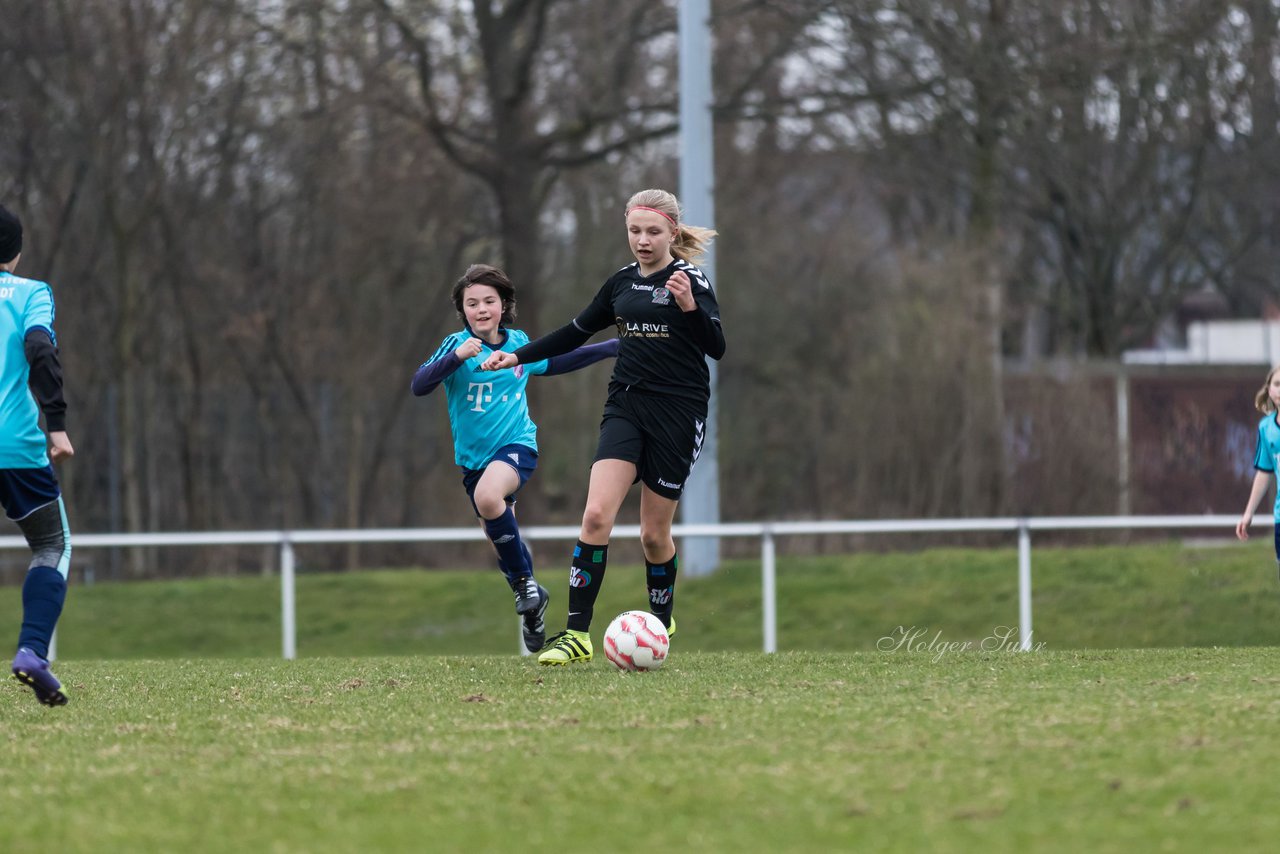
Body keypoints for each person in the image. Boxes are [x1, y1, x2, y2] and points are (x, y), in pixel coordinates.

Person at [481, 188, 725, 666]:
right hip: (625, 406)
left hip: (678, 413)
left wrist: (691, 310)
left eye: (653, 232)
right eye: (635, 231)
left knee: (654, 535)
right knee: (595, 516)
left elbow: (716, 347)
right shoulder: (620, 284)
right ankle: (577, 636)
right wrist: (517, 355)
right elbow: (575, 332)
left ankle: (660, 621)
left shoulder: (690, 280)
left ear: (672, 232)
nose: (642, 240)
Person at [412, 263, 618, 653]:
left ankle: (525, 586)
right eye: (472, 303)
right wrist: (456, 357)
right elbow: (420, 385)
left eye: (489, 301)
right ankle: (532, 601)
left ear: (503, 305)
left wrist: (609, 348)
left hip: (517, 446)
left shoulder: (518, 343)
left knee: (488, 499)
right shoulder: (455, 347)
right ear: (463, 311)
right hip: (473, 461)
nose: (481, 309)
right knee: (500, 540)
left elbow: (555, 362)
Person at [0, 204, 74, 706]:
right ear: (17, 252)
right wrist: (58, 425)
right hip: (16, 445)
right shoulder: (31, 293)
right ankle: (31, 652)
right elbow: (40, 350)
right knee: (52, 546)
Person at [1236, 364, 1280, 578]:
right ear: (1269, 390)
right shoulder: (1266, 428)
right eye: (1277, 384)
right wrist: (1248, 513)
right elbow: (1264, 472)